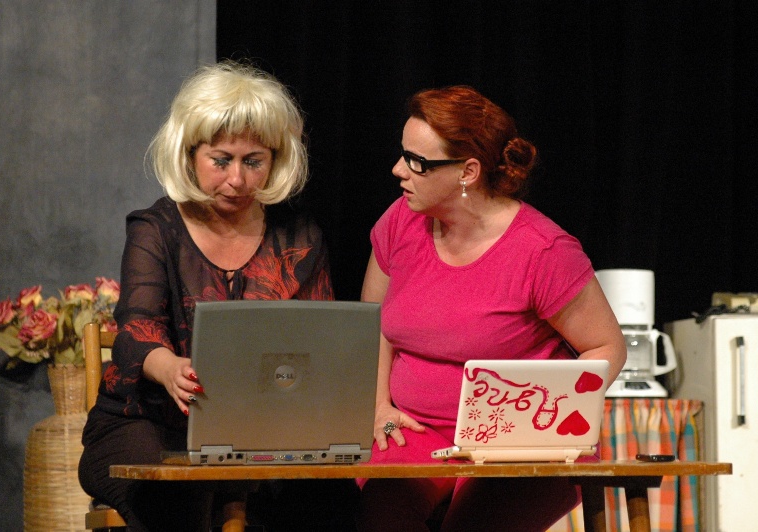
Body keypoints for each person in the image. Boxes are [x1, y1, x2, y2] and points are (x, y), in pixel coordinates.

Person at [78, 60, 356, 531]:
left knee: (332, 497)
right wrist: (170, 368)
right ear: (190, 154)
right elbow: (136, 331)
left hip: (264, 432)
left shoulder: (299, 234)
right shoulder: (155, 229)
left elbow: (320, 342)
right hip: (150, 424)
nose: (237, 180)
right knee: (180, 492)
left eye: (253, 162)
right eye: (221, 160)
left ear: (275, 160)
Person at [357, 85, 627, 532]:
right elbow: (372, 327)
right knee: (381, 515)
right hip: (415, 429)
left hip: (515, 442)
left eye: (417, 162)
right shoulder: (401, 221)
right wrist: (377, 406)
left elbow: (606, 347)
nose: (398, 170)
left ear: (468, 171)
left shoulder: (543, 251)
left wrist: (540, 421)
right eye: (403, 154)